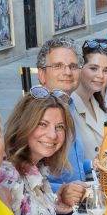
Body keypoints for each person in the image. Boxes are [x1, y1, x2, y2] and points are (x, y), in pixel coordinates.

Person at [0, 93, 81, 215]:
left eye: (59, 127)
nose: (53, 135)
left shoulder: (38, 166)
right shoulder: (6, 176)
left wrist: (57, 204)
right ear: (24, 125)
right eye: (42, 124)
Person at [35, 38, 94, 193]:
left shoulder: (69, 105)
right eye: (58, 66)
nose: (67, 72)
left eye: (73, 66)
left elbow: (71, 165)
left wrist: (94, 165)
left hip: (78, 198)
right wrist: (63, 190)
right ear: (42, 74)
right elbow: (23, 176)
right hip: (53, 206)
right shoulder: (35, 113)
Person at [71, 39, 107, 160]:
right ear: (79, 68)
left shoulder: (97, 101)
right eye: (93, 68)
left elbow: (103, 144)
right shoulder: (69, 106)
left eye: (106, 70)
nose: (100, 75)